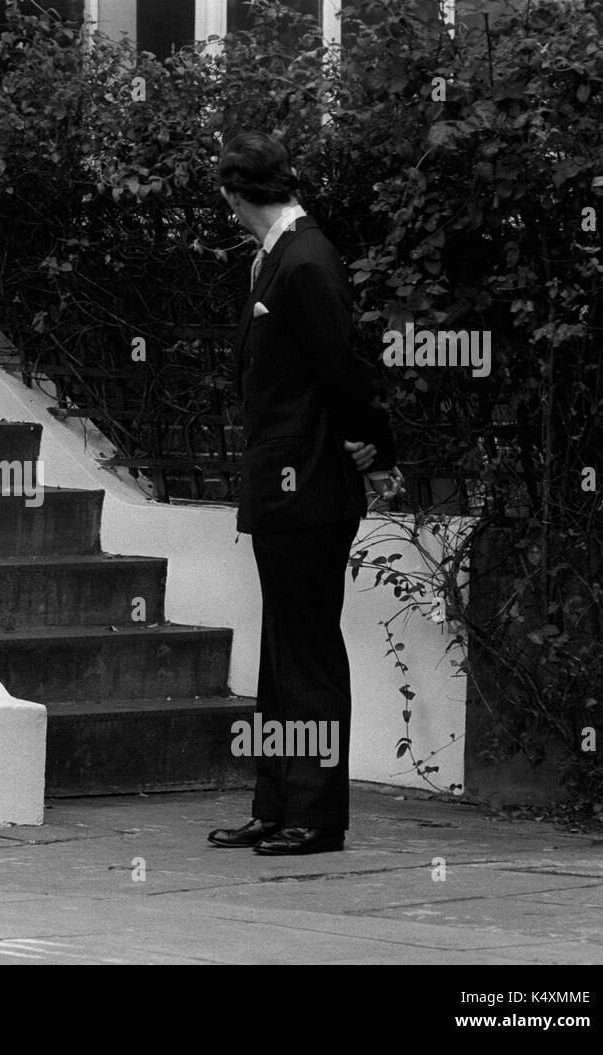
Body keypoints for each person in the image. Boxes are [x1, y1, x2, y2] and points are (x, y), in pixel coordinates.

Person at [209, 131, 404, 856]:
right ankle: (277, 801)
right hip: (287, 481)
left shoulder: (305, 258)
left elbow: (342, 369)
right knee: (283, 649)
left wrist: (373, 447)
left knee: (309, 650)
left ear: (236, 196)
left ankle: (316, 814)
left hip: (309, 484)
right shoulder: (280, 256)